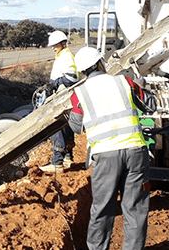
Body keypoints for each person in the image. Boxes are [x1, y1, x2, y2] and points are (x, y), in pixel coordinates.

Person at [68, 47, 151, 250]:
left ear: (82, 71)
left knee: (102, 208)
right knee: (136, 208)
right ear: (99, 64)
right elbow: (150, 105)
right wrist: (142, 86)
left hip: (105, 156)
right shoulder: (125, 82)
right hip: (135, 152)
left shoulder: (78, 94)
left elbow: (76, 127)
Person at [40, 30, 79, 173]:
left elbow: (72, 78)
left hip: (63, 98)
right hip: (66, 97)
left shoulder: (66, 57)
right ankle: (68, 157)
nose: (53, 48)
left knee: (57, 128)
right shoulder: (62, 55)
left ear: (63, 43)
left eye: (55, 45)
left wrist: (55, 83)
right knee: (66, 126)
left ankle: (57, 162)